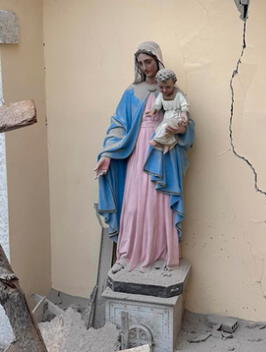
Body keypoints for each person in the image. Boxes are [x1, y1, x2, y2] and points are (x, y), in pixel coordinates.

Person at [95, 41, 195, 271]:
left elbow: (187, 123)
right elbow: (119, 125)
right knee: (133, 205)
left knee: (157, 205)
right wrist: (108, 154)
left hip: (163, 152)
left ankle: (161, 254)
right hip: (138, 149)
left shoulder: (172, 91)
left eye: (148, 62)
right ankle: (127, 254)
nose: (145, 67)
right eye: (140, 63)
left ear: (158, 61)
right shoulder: (131, 92)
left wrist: (180, 129)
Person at [149, 68, 189, 153]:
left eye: (168, 87)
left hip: (176, 116)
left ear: (173, 84)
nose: (164, 90)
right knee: (160, 128)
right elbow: (157, 105)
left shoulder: (178, 95)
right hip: (167, 116)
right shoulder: (161, 95)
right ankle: (167, 144)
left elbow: (184, 105)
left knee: (166, 127)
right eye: (161, 87)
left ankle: (156, 141)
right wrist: (153, 111)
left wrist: (184, 114)